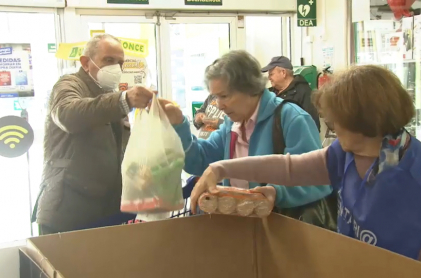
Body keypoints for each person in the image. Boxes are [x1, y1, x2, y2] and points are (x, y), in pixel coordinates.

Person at [191, 65, 421, 262]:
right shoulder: (346, 153)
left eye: (333, 122)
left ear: (362, 119)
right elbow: (289, 168)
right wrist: (220, 168)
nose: (330, 126)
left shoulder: (416, 174)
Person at [157, 50, 332, 220]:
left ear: (250, 88)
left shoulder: (291, 119)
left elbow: (317, 181)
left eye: (224, 96)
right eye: (215, 97)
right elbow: (199, 160)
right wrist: (178, 124)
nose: (219, 105)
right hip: (239, 230)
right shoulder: (232, 124)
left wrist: (275, 194)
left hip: (282, 231)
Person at [33, 34, 154, 234]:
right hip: (67, 213)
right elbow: (67, 114)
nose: (116, 68)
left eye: (120, 63)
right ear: (85, 63)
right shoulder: (68, 85)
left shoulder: (109, 94)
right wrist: (124, 100)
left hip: (103, 211)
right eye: (108, 60)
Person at [262, 56, 320, 131]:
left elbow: (313, 125)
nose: (269, 78)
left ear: (283, 73)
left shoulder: (303, 92)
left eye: (271, 74)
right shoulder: (270, 93)